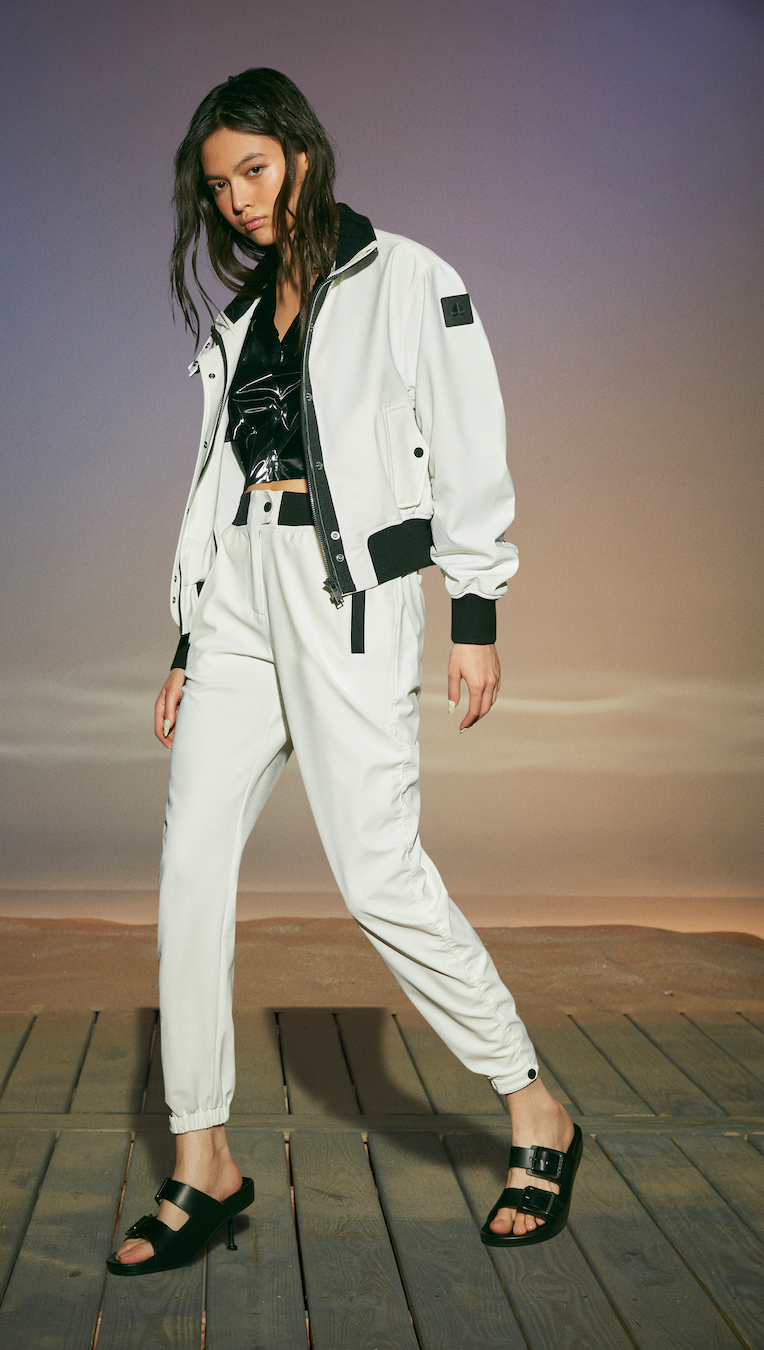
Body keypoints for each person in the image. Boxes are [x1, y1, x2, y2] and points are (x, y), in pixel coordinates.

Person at [107, 68, 580, 1277]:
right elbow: (216, 485)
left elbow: (470, 440)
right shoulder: (235, 322)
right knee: (188, 865)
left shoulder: (410, 278)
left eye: (253, 170)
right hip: (238, 603)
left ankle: (535, 1105)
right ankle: (202, 1159)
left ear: (302, 156)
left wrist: (475, 610)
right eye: (218, 186)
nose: (238, 200)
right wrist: (187, 637)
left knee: (377, 875)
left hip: (348, 591)